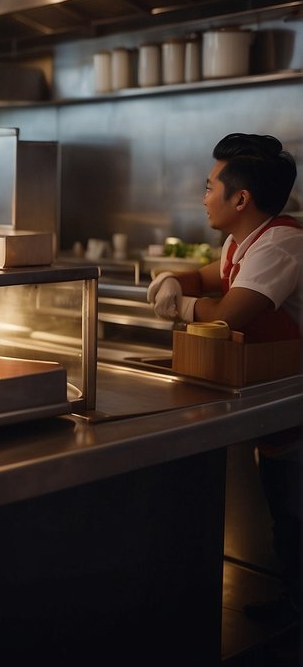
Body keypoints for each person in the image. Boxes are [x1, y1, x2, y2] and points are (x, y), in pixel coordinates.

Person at [146, 132, 301, 617]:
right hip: (273, 390)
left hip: (293, 397)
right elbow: (206, 278)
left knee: (297, 516)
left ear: (241, 198)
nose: (204, 196)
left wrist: (183, 305)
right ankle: (292, 605)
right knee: (285, 511)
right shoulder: (243, 242)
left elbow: (229, 315)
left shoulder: (281, 245)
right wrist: (174, 279)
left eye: (209, 186)